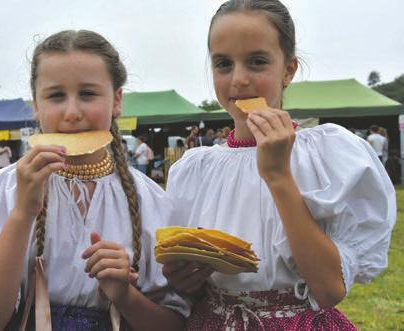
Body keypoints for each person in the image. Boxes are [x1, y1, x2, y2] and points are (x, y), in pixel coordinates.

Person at [163, 1, 396, 330]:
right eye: (223, 64)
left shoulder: (325, 156)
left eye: (257, 61)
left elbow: (329, 289)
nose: (239, 79)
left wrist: (278, 175)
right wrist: (183, 278)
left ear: (288, 69)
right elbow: (189, 284)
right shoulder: (196, 169)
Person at [0, 30, 188, 331]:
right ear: (35, 104)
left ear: (117, 101)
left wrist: (124, 295)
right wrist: (22, 213)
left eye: (87, 94)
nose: (72, 113)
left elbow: (173, 324)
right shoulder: (1, 188)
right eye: (56, 95)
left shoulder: (151, 199)